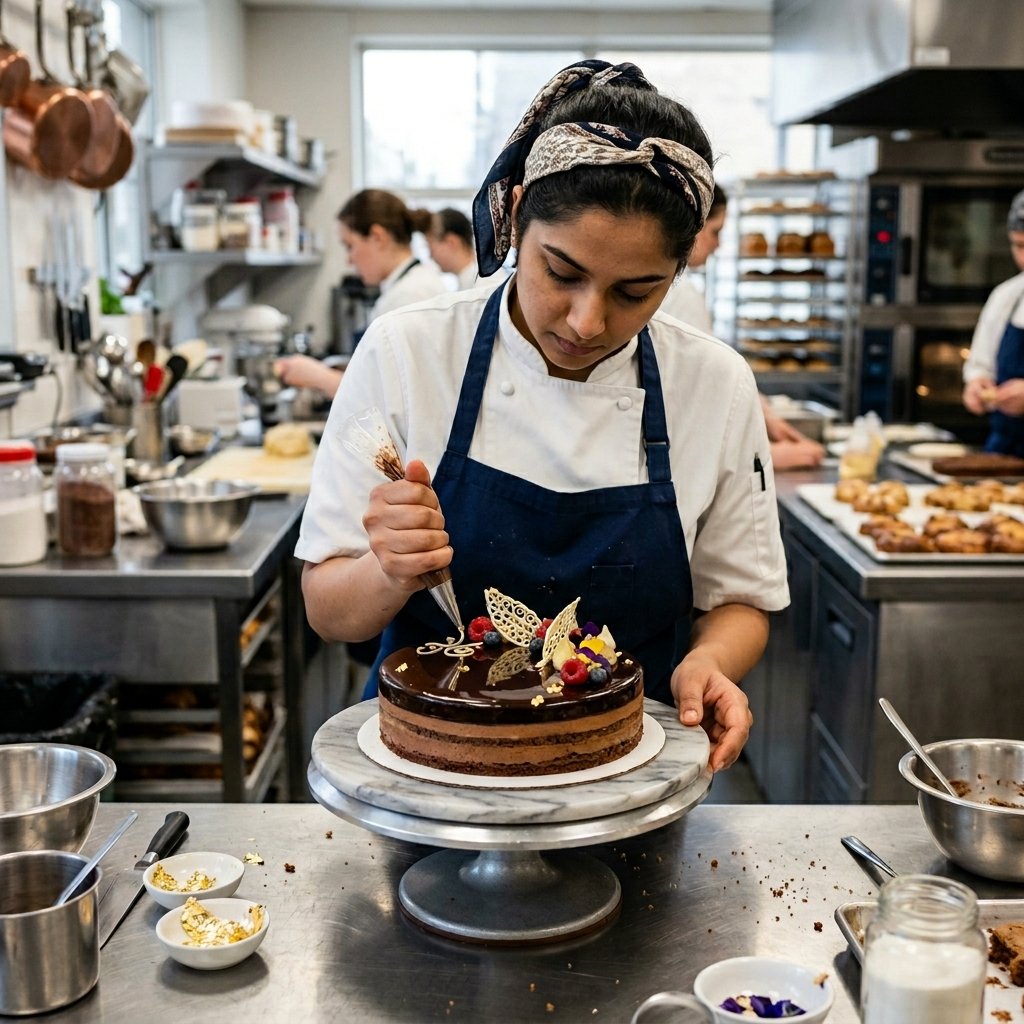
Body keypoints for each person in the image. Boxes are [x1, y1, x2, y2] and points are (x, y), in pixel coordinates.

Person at [296, 60, 790, 773]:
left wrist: (710, 660)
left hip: (626, 777)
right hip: (427, 780)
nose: (588, 321)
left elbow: (740, 598)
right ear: (519, 212)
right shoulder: (412, 350)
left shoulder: (713, 384)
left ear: (680, 270)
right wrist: (386, 570)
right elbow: (327, 609)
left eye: (636, 290)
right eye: (561, 272)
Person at [660, 185, 825, 470]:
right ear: (694, 225)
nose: (718, 245)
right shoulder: (681, 292)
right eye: (716, 232)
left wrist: (762, 413)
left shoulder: (671, 287)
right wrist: (765, 457)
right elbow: (697, 396)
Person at [276, 189, 448, 399]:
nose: (349, 260)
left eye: (350, 246)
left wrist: (318, 376)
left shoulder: (411, 295)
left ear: (377, 237)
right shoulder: (407, 286)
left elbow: (388, 399)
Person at [962, 189, 1024, 456]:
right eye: (1019, 246)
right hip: (1004, 455)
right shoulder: (1007, 296)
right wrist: (977, 386)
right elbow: (979, 366)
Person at [426, 208, 479, 290]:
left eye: (430, 247)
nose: (430, 256)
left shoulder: (478, 284)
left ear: (451, 242)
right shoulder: (469, 282)